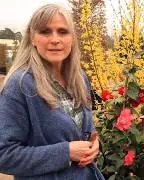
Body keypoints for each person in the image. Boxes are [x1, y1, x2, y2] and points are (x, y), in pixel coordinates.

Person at [0, 4, 105, 180]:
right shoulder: (20, 85)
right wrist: (66, 152)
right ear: (33, 38)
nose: (55, 39)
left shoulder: (79, 79)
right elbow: (4, 155)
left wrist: (95, 145)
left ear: (72, 38)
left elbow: (84, 130)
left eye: (63, 32)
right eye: (45, 32)